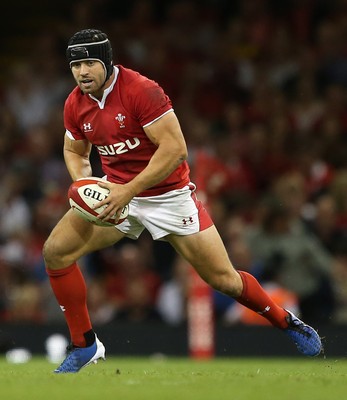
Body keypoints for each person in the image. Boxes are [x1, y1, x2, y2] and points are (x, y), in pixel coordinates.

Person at [43, 29, 322, 374]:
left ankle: (286, 321)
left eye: (89, 63)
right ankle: (84, 345)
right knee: (56, 252)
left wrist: (127, 191)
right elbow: (74, 149)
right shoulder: (75, 102)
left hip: (168, 197)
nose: (82, 72)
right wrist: (84, 184)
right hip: (116, 194)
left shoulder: (141, 90)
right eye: (76, 65)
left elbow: (175, 151)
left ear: (107, 61)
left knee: (224, 280)